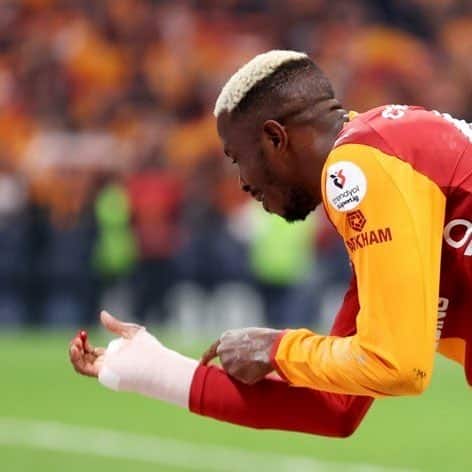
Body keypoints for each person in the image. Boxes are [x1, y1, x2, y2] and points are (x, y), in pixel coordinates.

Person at [69, 50, 472, 437]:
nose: (242, 182)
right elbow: (337, 406)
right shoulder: (386, 161)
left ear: (275, 138)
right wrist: (154, 370)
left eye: (237, 158)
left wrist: (277, 348)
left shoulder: (357, 168)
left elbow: (398, 365)